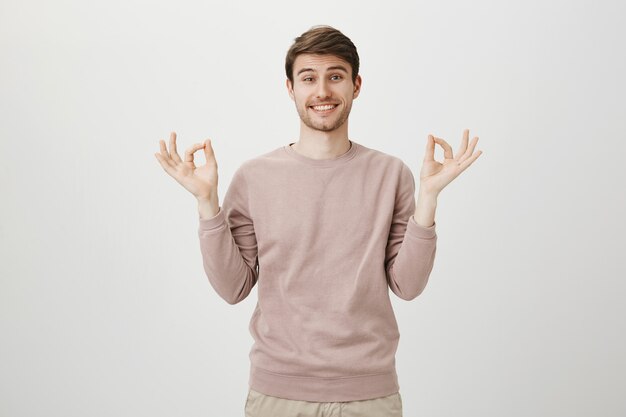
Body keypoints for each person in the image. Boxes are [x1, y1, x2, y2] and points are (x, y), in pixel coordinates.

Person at [155, 25, 482, 417]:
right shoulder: (254, 177)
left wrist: (428, 200)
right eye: (308, 78)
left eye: (335, 76)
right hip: (277, 394)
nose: (322, 91)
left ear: (356, 85)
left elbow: (407, 286)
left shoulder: (391, 175)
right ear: (291, 88)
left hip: (370, 395)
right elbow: (233, 288)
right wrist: (207, 203)